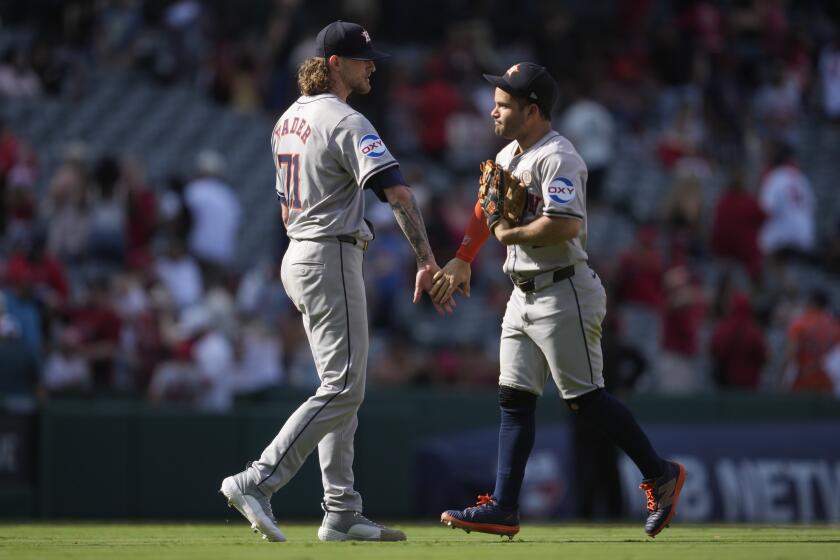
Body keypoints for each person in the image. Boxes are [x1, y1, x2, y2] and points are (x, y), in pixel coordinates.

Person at [220, 20, 453, 543]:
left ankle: (341, 509)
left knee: (338, 385)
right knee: (345, 386)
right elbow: (399, 195)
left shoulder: (286, 119)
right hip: (329, 254)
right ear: (334, 64)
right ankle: (258, 479)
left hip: (299, 253)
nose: (372, 64)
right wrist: (425, 260)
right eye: (361, 58)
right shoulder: (346, 119)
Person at [430, 62, 685, 539]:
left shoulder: (559, 156)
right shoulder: (509, 155)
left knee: (585, 401)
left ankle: (660, 474)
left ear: (532, 111)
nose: (493, 111)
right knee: (513, 398)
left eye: (504, 104)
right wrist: (464, 256)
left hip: (562, 287)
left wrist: (511, 232)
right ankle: (504, 508)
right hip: (521, 292)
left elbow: (564, 223)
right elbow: (487, 208)